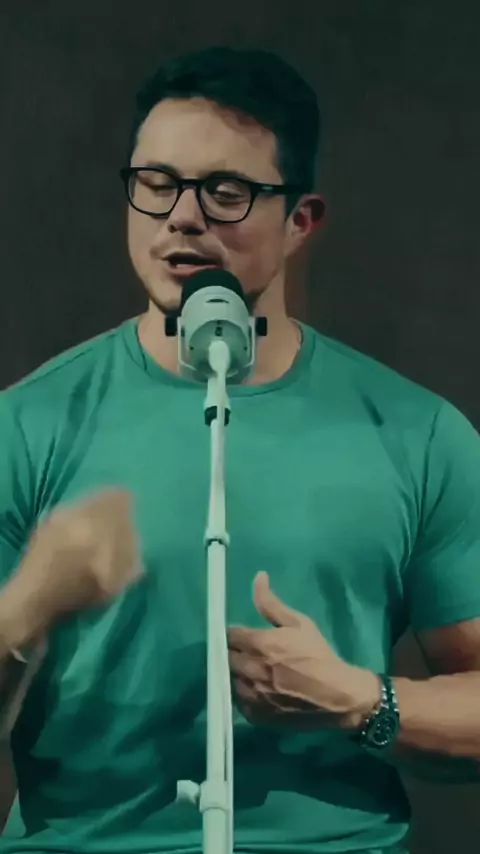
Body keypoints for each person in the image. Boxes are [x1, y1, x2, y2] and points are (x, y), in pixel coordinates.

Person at [0, 45, 479, 854]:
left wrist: (361, 701)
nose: (182, 218)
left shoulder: (419, 435)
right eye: (156, 183)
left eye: (226, 192)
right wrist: (26, 609)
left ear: (300, 222)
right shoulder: (26, 426)